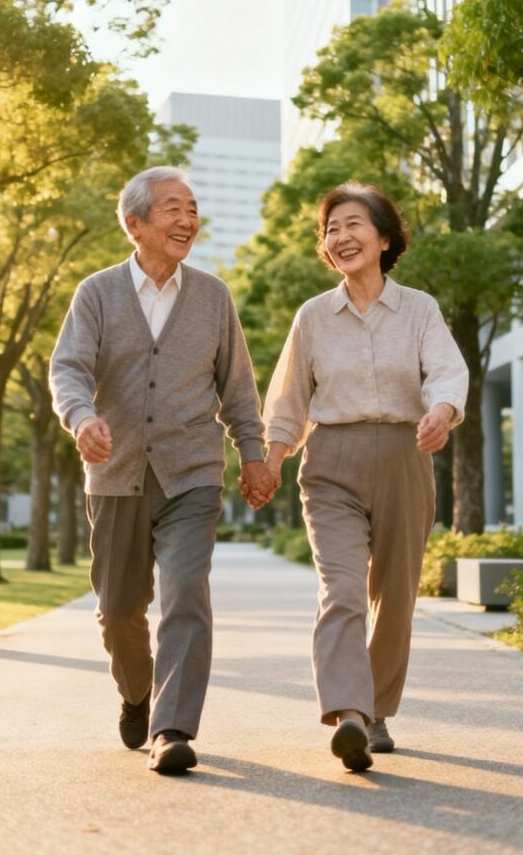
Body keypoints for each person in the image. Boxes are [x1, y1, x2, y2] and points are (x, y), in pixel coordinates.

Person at [49, 166, 274, 775]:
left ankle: (172, 727)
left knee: (184, 596)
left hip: (192, 472)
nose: (187, 220)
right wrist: (82, 418)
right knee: (119, 608)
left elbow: (238, 388)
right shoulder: (96, 293)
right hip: (117, 471)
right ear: (135, 224)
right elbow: (68, 367)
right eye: (173, 209)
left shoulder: (212, 296)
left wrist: (253, 454)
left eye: (193, 209)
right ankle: (137, 695)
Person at [262, 181, 467, 772]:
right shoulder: (313, 317)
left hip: (406, 454)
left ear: (383, 237)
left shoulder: (420, 309)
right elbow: (289, 399)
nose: (340, 237)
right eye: (331, 229)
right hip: (332, 464)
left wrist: (442, 412)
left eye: (353, 224)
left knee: (395, 597)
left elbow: (448, 373)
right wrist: (272, 460)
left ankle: (376, 710)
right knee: (343, 588)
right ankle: (348, 713)